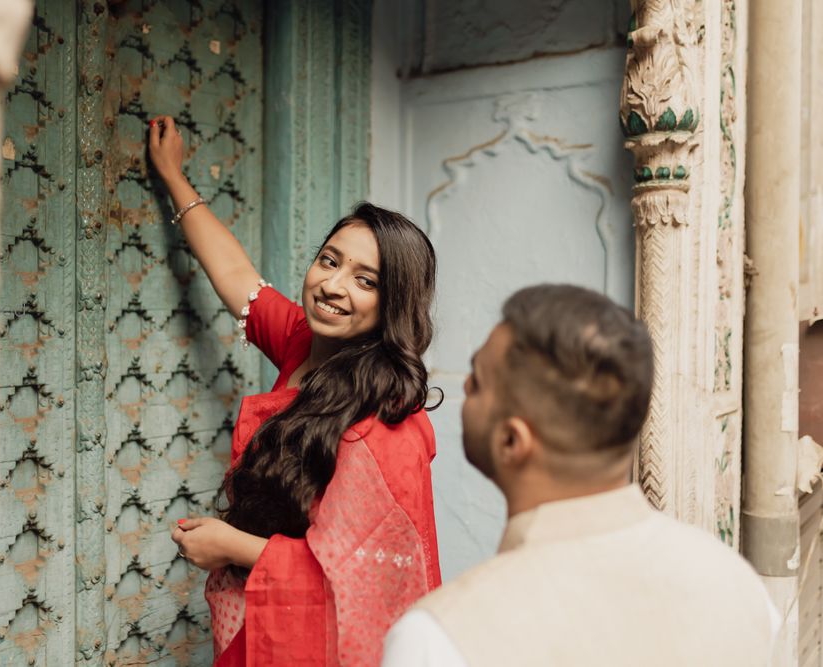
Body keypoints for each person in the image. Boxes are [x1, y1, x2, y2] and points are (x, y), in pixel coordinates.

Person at [147, 115, 442, 666]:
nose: (332, 285)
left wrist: (231, 547)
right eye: (329, 261)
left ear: (392, 304)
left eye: (365, 279)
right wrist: (173, 176)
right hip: (259, 623)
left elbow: (377, 576)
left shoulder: (388, 421)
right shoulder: (303, 345)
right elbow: (235, 274)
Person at [383, 284, 779, 666]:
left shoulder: (442, 637)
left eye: (479, 381)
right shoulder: (741, 588)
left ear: (511, 441)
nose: (465, 385)